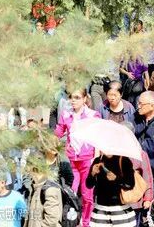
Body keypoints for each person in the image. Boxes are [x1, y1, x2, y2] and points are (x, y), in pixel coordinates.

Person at [54, 88, 100, 226]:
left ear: (85, 99)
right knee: (71, 192)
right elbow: (58, 133)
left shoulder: (93, 115)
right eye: (71, 97)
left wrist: (96, 157)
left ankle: (86, 222)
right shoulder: (66, 114)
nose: (73, 100)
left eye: (77, 97)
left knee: (87, 194)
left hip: (87, 159)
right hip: (71, 160)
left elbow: (97, 137)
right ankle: (71, 221)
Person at [87, 155, 136, 227]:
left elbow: (130, 184)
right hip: (101, 209)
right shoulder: (98, 160)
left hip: (120, 209)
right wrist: (92, 173)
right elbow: (89, 185)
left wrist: (116, 179)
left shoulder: (124, 160)